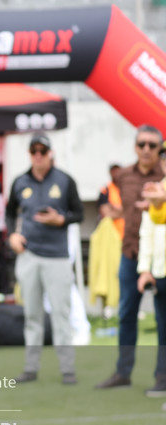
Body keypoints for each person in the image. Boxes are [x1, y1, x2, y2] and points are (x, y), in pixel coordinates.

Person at [6, 133, 83, 385]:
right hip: (28, 254)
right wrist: (13, 235)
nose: (38, 155)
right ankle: (31, 368)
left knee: (61, 313)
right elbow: (9, 213)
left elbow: (79, 213)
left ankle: (68, 368)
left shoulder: (65, 180)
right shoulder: (20, 181)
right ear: (30, 154)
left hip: (57, 257)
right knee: (32, 314)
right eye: (34, 151)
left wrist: (61, 219)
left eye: (43, 150)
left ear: (50, 153)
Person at [96, 125, 166, 395]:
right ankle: (123, 372)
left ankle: (162, 376)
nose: (146, 149)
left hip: (160, 259)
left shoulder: (164, 175)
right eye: (141, 144)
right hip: (130, 254)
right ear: (135, 147)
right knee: (126, 314)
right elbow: (116, 208)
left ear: (159, 147)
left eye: (152, 144)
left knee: (163, 319)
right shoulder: (123, 175)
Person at [97, 163, 124, 238]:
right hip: (111, 235)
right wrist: (124, 211)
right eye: (114, 171)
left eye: (118, 171)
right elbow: (106, 214)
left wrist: (114, 208)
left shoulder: (127, 189)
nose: (116, 173)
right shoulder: (105, 190)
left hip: (127, 234)